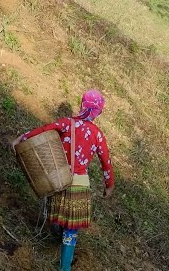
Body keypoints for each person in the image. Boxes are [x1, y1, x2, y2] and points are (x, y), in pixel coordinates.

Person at [12, 90, 114, 271]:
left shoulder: (67, 123)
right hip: (80, 186)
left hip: (60, 179)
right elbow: (106, 162)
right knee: (72, 229)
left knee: (58, 215)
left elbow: (45, 129)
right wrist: (109, 186)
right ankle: (64, 267)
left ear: (82, 104)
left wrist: (23, 137)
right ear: (99, 111)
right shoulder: (97, 134)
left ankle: (56, 233)